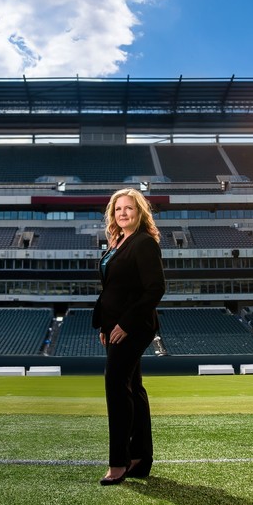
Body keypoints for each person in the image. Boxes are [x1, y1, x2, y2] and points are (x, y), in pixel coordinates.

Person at [91, 187, 166, 486]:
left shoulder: (144, 243)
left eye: (129, 209)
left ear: (139, 213)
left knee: (116, 386)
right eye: (118, 209)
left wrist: (124, 324)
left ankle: (119, 462)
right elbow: (113, 290)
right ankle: (141, 458)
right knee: (133, 388)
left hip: (134, 326)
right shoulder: (117, 243)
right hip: (114, 326)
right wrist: (105, 326)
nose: (123, 213)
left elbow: (155, 289)